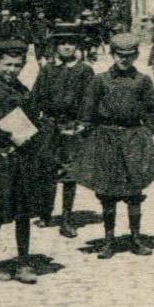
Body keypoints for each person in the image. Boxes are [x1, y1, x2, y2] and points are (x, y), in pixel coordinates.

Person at [0, 39, 54, 283]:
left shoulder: (24, 91)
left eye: (17, 65)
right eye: (7, 64)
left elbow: (32, 119)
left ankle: (23, 263)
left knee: (23, 213)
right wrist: (6, 136)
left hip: (21, 160)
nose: (11, 70)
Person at [78, 32, 154, 258]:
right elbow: (88, 111)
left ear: (135, 55)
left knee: (134, 190)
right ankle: (108, 240)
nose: (124, 60)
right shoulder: (100, 80)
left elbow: (153, 111)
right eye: (119, 55)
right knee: (107, 192)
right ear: (112, 55)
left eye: (129, 55)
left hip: (134, 137)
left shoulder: (143, 81)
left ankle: (135, 237)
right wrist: (83, 132)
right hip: (106, 138)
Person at [32, 24, 94, 238]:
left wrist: (83, 124)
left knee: (69, 171)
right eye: (62, 43)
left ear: (77, 46)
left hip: (72, 126)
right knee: (46, 168)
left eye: (71, 43)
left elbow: (90, 100)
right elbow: (35, 98)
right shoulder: (48, 69)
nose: (67, 47)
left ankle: (67, 219)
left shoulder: (84, 70)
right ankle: (45, 213)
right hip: (49, 125)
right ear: (55, 46)